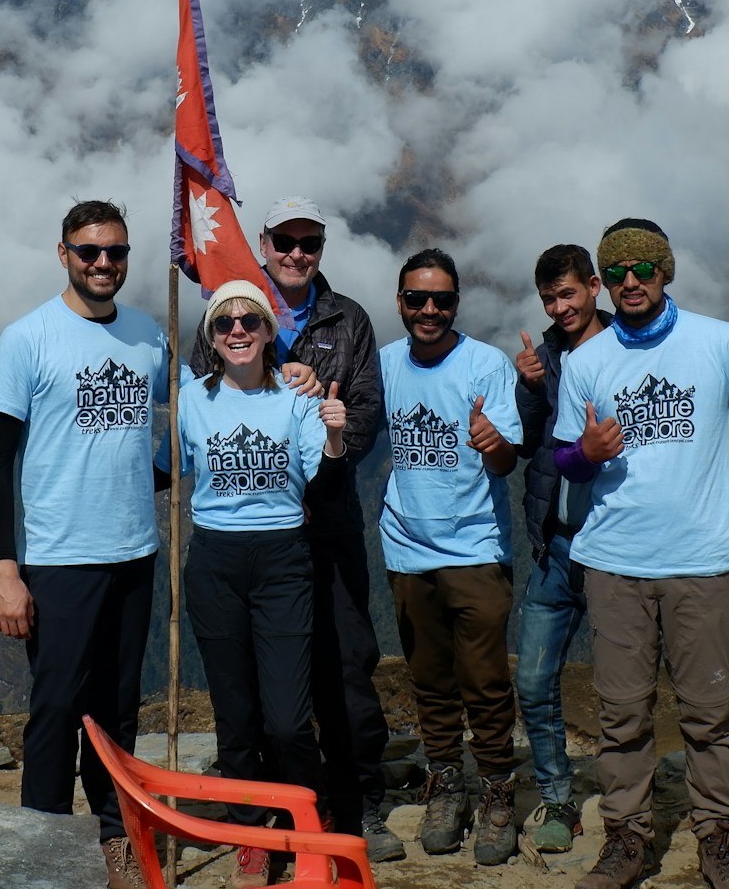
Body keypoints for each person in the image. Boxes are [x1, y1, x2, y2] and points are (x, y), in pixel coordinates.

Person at [553, 218, 729, 889]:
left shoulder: (719, 343)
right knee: (621, 716)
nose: (629, 283)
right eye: (616, 272)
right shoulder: (586, 361)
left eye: (642, 269)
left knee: (709, 713)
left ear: (665, 271)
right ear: (603, 281)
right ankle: (626, 840)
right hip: (614, 562)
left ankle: (721, 840)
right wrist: (586, 455)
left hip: (699, 562)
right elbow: (567, 459)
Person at [190, 197, 398, 861]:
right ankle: (264, 818)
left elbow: (362, 412)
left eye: (310, 242)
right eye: (285, 240)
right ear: (264, 241)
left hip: (324, 525)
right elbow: (205, 406)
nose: (297, 252)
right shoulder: (228, 312)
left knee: (342, 669)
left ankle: (354, 803)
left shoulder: (348, 321)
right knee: (249, 691)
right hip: (239, 537)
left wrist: (322, 419)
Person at [0, 200, 168, 889]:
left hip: (134, 552)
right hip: (59, 556)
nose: (103, 264)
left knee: (117, 710)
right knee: (58, 708)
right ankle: (46, 848)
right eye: (89, 252)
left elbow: (183, 421)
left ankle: (116, 838)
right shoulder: (28, 338)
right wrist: (6, 569)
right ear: (63, 253)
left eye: (115, 252)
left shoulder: (149, 336)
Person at [178, 279, 345, 889]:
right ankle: (252, 833)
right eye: (225, 324)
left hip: (282, 559)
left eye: (251, 320)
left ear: (271, 333)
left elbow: (322, 488)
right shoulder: (192, 399)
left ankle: (307, 818)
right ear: (211, 338)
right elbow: (175, 471)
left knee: (287, 719)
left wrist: (333, 436)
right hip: (215, 561)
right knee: (235, 713)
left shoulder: (296, 398)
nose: (238, 330)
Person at [378, 248, 523, 866]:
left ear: (456, 302)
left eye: (441, 299)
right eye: (417, 299)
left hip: (475, 548)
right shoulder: (383, 364)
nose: (429, 310)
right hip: (406, 546)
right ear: (401, 302)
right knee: (430, 680)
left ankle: (495, 791)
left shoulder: (486, 365)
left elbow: (506, 459)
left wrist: (493, 444)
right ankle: (445, 786)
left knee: (485, 681)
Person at [510, 244, 611, 854]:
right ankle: (557, 800)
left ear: (594, 287)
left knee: (624, 688)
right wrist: (527, 387)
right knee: (532, 680)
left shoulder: (628, 350)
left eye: (568, 294)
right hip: (554, 548)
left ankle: (629, 801)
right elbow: (526, 446)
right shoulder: (543, 357)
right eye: (549, 298)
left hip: (614, 551)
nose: (559, 306)